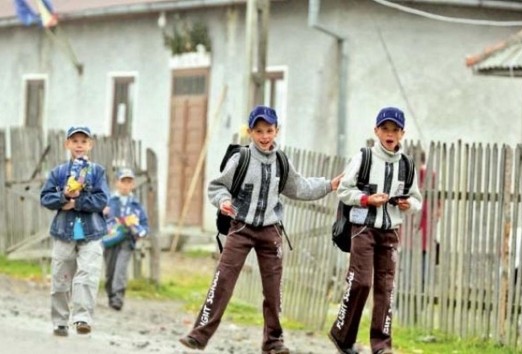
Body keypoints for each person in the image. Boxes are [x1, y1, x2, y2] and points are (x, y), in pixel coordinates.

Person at [179, 105, 342, 354]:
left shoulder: (281, 161)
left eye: (269, 130)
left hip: (270, 232)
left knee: (273, 290)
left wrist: (329, 185)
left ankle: (273, 343)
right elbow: (217, 186)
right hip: (241, 228)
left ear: (277, 130)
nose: (265, 136)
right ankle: (198, 335)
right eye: (259, 131)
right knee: (222, 280)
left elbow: (299, 187)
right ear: (250, 133)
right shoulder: (241, 159)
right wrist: (223, 201)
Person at [328, 107, 422, 354]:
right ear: (376, 131)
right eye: (385, 129)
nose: (390, 134)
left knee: (386, 287)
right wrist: (367, 200)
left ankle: (381, 346)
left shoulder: (407, 164)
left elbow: (417, 200)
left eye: (395, 129)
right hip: (363, 228)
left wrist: (407, 204)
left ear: (402, 133)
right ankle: (343, 337)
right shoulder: (364, 157)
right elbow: (343, 190)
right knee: (360, 282)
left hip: (391, 231)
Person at [40, 126, 109, 337]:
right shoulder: (58, 172)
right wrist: (63, 198)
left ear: (90, 145)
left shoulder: (97, 172)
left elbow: (102, 199)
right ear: (67, 144)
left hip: (91, 232)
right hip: (64, 232)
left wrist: (77, 202)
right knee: (61, 277)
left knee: (87, 274)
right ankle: (60, 321)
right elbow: (45, 198)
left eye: (84, 141)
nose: (79, 144)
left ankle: (82, 319)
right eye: (75, 141)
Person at [102, 167, 149, 311]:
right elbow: (97, 220)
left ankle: (118, 297)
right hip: (110, 239)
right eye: (123, 181)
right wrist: (102, 213)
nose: (126, 185)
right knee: (110, 271)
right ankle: (111, 293)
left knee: (121, 269)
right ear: (117, 183)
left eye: (129, 182)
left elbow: (144, 224)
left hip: (127, 240)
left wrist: (140, 231)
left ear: (133, 185)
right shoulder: (109, 201)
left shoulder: (136, 205)